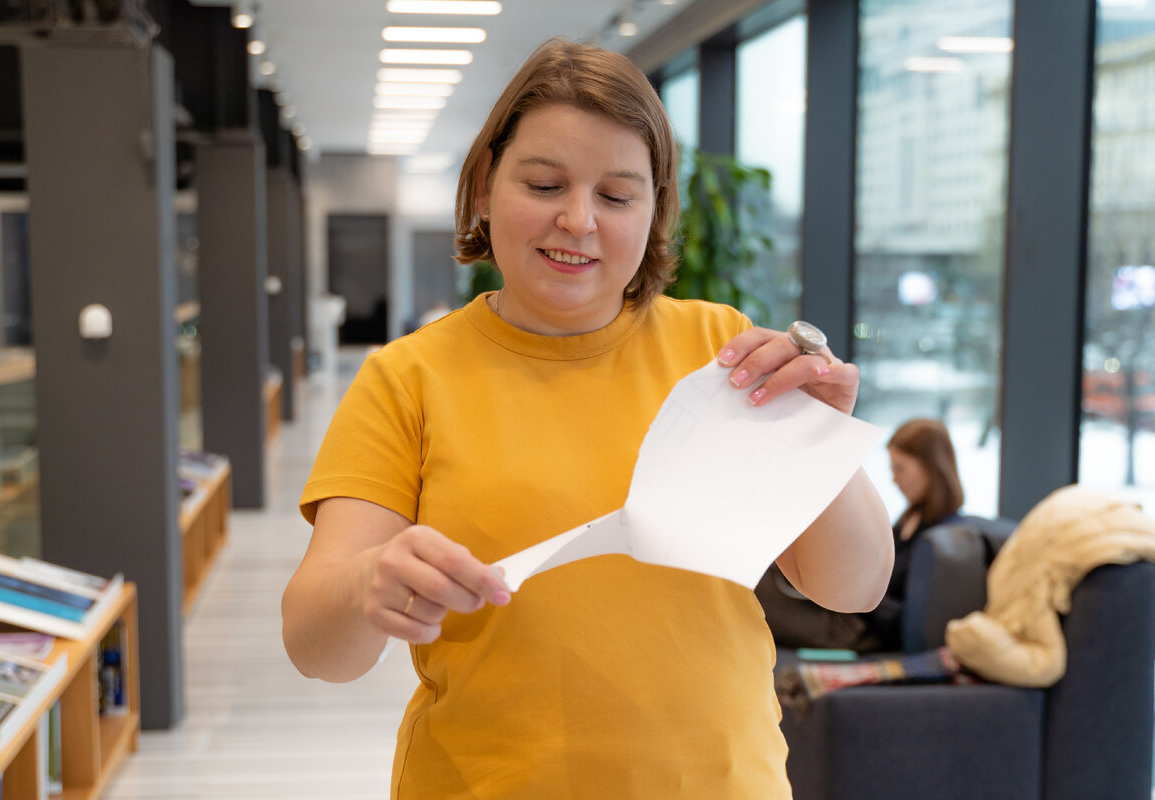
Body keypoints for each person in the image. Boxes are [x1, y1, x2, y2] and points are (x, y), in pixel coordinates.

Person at [281, 38, 893, 799]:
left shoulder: (723, 352)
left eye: (615, 195)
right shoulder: (408, 379)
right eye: (544, 184)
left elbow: (854, 587)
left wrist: (825, 443)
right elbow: (317, 648)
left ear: (654, 210)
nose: (577, 220)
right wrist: (371, 584)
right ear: (482, 186)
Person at [861, 417, 965, 650]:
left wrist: (861, 592)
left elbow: (912, 621)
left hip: (873, 632)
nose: (894, 479)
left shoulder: (943, 541)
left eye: (900, 469)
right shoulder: (909, 520)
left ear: (931, 468)